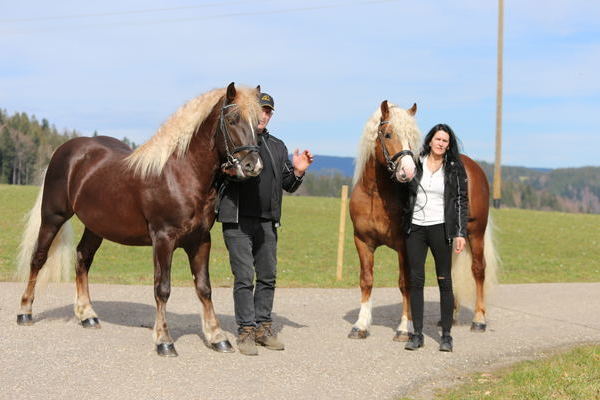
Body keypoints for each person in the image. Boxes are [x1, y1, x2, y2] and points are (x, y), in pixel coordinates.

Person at [217, 92, 314, 356]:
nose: (264, 115)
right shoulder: (236, 139)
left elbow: (288, 185)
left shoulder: (278, 146)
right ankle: (246, 330)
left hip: (267, 222)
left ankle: (263, 327)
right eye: (260, 110)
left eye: (269, 111)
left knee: (268, 277)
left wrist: (298, 171)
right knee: (245, 277)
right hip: (237, 219)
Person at [403, 123, 468, 352]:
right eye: (438, 139)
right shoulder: (416, 162)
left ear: (448, 145)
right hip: (416, 229)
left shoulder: (453, 167)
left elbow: (461, 200)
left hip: (441, 229)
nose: (441, 144)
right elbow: (403, 189)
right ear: (430, 140)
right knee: (416, 280)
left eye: (445, 141)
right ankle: (417, 334)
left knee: (444, 281)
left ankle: (447, 335)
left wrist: (460, 233)